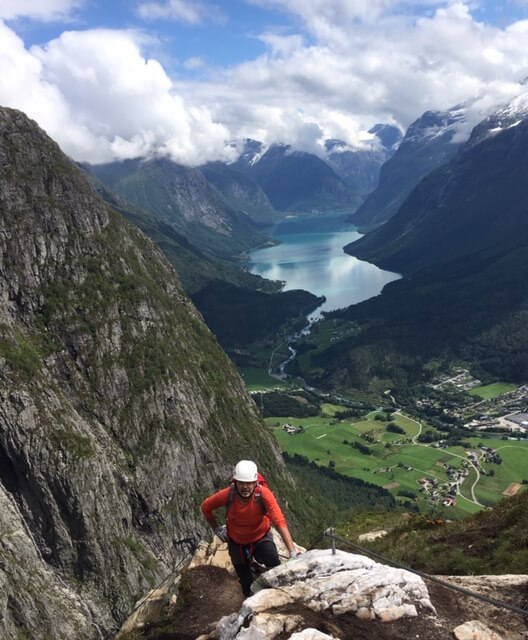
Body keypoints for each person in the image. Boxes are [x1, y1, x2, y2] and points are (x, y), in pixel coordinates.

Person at [201, 459, 300, 597]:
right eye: (241, 483)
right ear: (235, 482)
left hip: (261, 537)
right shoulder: (228, 494)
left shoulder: (263, 494)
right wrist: (217, 530)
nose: (245, 487)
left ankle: (278, 596)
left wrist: (292, 551)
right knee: (246, 584)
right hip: (237, 542)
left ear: (255, 482)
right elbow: (206, 507)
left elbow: (279, 520)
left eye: (249, 483)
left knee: (274, 566)